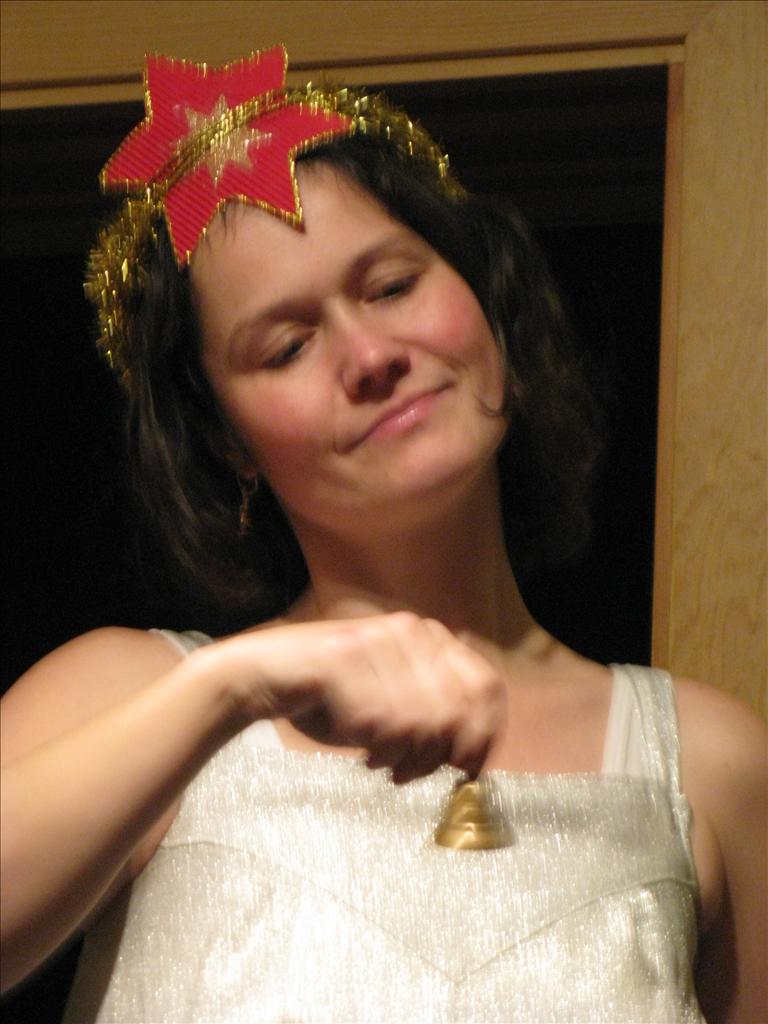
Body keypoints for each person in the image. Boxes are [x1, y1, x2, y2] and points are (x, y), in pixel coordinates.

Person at [1, 47, 765, 1023]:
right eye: (287, 345)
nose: (369, 355)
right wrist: (234, 689)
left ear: (485, 306)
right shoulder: (129, 695)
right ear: (229, 440)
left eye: (395, 286)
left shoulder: (709, 767)